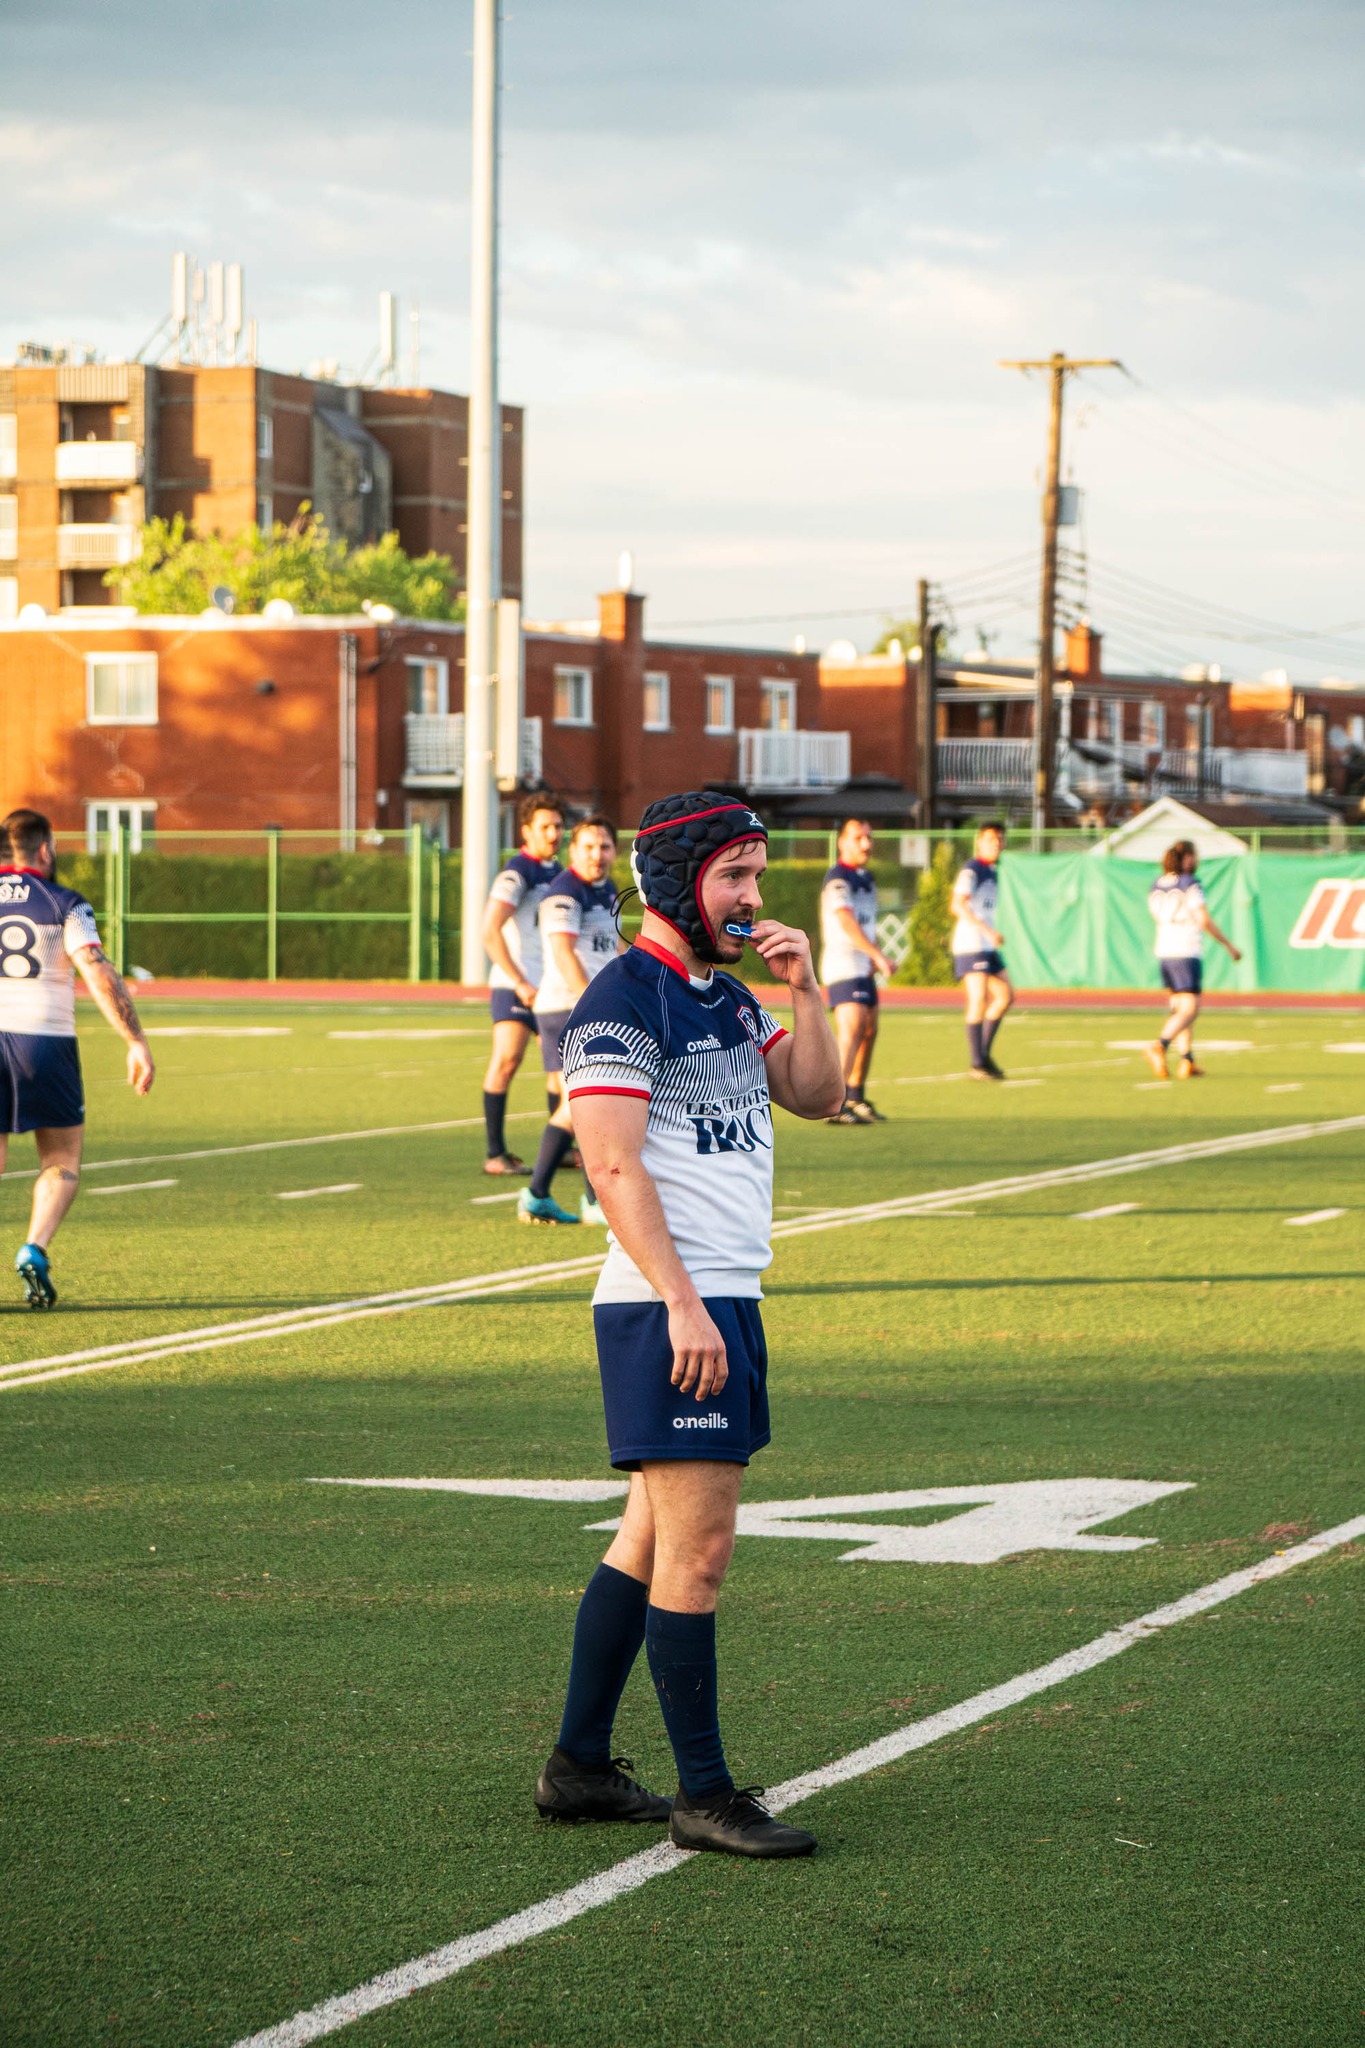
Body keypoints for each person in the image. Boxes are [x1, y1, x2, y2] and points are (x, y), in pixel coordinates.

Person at [533, 790, 844, 1857]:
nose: (755, 898)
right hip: (672, 1303)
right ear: (675, 881)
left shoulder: (723, 993)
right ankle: (704, 1795)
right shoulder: (623, 999)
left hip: (720, 1294)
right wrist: (680, 1300)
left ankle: (576, 1765)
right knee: (699, 1551)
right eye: (736, 877)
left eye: (757, 876)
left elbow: (816, 1093)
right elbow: (608, 1159)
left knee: (650, 1535)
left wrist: (808, 987)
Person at [0, 809, 155, 1307]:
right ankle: (34, 1247)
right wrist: (135, 1041)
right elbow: (97, 972)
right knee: (61, 1157)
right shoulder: (65, 902)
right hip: (45, 1042)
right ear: (45, 849)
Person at [518, 816, 624, 1226]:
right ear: (572, 851)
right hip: (567, 1008)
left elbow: (612, 950)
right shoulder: (564, 892)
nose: (597, 855)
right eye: (588, 847)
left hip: (591, 1008)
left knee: (588, 1104)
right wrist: (591, 1001)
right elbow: (563, 954)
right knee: (579, 1105)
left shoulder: (610, 890)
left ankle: (546, 1195)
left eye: (604, 847)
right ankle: (570, 1198)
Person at [479, 793, 565, 1175]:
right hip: (516, 984)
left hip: (551, 987)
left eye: (559, 826)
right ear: (526, 830)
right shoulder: (518, 872)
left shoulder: (562, 872)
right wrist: (518, 980)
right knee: (507, 1061)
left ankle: (561, 1149)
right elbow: (489, 930)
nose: (554, 833)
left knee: (560, 1070)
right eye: (545, 826)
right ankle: (495, 1153)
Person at [1144, 840, 1242, 1080]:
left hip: (1164, 950)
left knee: (1179, 1008)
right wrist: (1228, 945)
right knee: (1190, 1008)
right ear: (1186, 858)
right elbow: (1203, 919)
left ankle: (1186, 1059)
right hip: (1186, 949)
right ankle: (1160, 1044)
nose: (1196, 861)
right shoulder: (1190, 884)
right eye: (1194, 856)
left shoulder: (1157, 885)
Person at [819, 817, 893, 1125]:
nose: (866, 843)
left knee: (869, 1029)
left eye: (869, 837)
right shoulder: (838, 879)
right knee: (851, 1030)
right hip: (844, 963)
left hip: (862, 964)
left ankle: (855, 1096)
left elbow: (867, 923)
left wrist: (877, 956)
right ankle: (834, 1104)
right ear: (842, 842)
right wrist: (874, 952)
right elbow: (847, 921)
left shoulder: (867, 878)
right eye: (859, 837)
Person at [952, 821, 1013, 1080]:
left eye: (999, 839)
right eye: (990, 839)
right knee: (978, 999)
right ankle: (978, 1062)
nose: (996, 844)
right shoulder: (972, 869)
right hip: (972, 943)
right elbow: (957, 905)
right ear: (979, 842)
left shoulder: (994, 871)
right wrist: (987, 931)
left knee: (1005, 996)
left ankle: (983, 1056)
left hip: (987, 945)